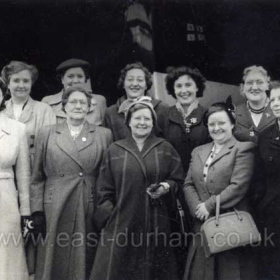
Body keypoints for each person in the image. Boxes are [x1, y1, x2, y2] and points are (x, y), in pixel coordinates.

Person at [90, 97, 184, 280]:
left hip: (157, 223)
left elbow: (178, 180)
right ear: (129, 122)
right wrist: (111, 216)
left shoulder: (165, 148)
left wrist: (166, 186)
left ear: (153, 123)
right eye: (138, 118)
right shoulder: (115, 150)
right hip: (121, 224)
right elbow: (103, 190)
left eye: (147, 119)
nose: (142, 123)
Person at [30, 86, 112, 280]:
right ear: (64, 106)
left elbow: (107, 176)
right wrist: (37, 210)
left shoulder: (103, 134)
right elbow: (37, 176)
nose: (78, 106)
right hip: (55, 204)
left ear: (89, 107)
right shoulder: (47, 133)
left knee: (85, 256)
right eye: (73, 102)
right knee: (54, 257)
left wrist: (104, 206)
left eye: (82, 102)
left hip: (87, 202)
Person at [183, 100, 256, 280]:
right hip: (202, 224)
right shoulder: (198, 151)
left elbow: (238, 186)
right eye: (212, 124)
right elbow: (188, 184)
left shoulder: (242, 149)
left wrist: (208, 205)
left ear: (232, 124)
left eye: (221, 123)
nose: (217, 128)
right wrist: (197, 208)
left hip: (230, 224)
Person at [164, 66, 209, 278]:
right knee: (175, 237)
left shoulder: (208, 114)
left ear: (197, 87)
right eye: (179, 86)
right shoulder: (163, 116)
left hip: (202, 188)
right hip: (173, 186)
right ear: (173, 89)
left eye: (188, 85)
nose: (184, 90)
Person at [0, 78, 31, 279]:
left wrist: (25, 209)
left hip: (6, 197)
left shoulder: (17, 128)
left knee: (7, 250)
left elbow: (23, 173)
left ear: (3, 95)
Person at [1, 61, 56, 166]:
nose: (21, 85)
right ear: (8, 84)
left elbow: (49, 146)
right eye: (16, 80)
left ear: (31, 84)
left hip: (34, 166)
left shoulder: (44, 110)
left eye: (26, 81)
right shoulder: (1, 110)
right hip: (6, 168)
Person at [253, 81, 280, 279]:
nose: (276, 104)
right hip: (273, 212)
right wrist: (262, 203)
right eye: (273, 100)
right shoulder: (264, 136)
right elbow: (259, 176)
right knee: (273, 263)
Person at [105, 61, 169, 141]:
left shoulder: (162, 108)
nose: (135, 84)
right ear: (123, 84)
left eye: (140, 80)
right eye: (130, 79)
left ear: (146, 85)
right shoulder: (111, 113)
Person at [42, 58, 107, 126]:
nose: (75, 81)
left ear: (85, 79)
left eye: (80, 76)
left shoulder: (99, 101)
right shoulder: (48, 102)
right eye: (70, 76)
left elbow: (103, 133)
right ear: (62, 79)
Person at [234, 65, 275, 143]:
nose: (254, 87)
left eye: (260, 82)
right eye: (249, 83)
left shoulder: (277, 110)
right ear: (243, 87)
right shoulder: (234, 114)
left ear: (268, 85)